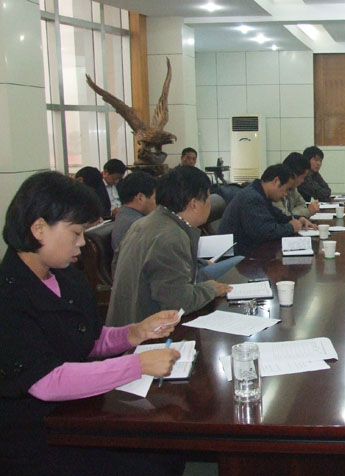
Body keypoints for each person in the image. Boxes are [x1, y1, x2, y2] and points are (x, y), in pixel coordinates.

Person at [0, 171, 183, 475]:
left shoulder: (64, 275)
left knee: (165, 453)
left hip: (77, 412)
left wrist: (135, 332)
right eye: (75, 233)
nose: (82, 243)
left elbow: (89, 339)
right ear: (39, 228)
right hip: (36, 434)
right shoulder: (9, 295)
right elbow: (46, 382)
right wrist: (137, 365)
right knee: (151, 464)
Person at [107, 166, 232, 327]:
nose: (209, 204)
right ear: (194, 204)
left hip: (128, 322)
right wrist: (211, 289)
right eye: (207, 198)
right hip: (146, 331)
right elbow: (178, 303)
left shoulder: (146, 223)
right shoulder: (171, 236)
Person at [219, 164, 315, 253]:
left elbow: (278, 216)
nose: (285, 194)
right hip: (239, 257)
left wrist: (297, 219)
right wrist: (291, 227)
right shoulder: (252, 198)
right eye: (285, 189)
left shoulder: (260, 193)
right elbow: (265, 231)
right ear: (276, 181)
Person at [111, 171, 157, 275]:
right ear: (140, 198)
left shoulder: (125, 216)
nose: (157, 204)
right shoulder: (136, 224)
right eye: (155, 198)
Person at [275, 152, 320, 218]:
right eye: (302, 177)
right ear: (293, 175)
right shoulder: (276, 189)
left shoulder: (293, 188)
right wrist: (307, 212)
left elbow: (302, 205)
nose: (303, 181)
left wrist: (291, 213)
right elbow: (284, 217)